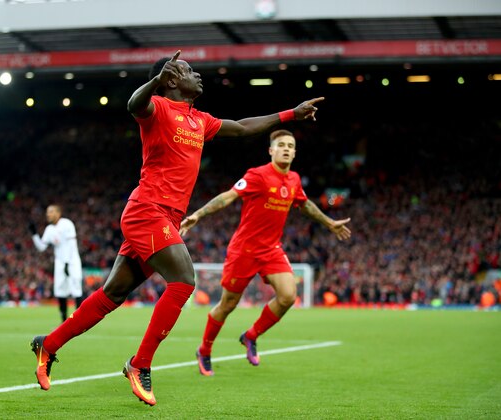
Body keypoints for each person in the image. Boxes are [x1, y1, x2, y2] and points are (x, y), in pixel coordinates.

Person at [29, 50, 324, 406]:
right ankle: (139, 365)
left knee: (113, 294)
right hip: (147, 210)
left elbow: (244, 126)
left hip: (165, 217)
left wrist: (293, 112)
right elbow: (133, 104)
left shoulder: (200, 120)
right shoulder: (156, 109)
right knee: (184, 280)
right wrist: (155, 82)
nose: (197, 75)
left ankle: (49, 344)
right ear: (171, 80)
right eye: (188, 71)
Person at [179, 129, 352, 376]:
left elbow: (304, 204)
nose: (286, 149)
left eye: (290, 146)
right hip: (244, 250)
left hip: (271, 249)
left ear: (294, 152)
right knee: (228, 304)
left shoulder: (293, 179)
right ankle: (204, 350)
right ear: (271, 150)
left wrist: (328, 222)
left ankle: (250, 336)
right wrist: (198, 214)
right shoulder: (257, 175)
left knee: (288, 296)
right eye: (281, 145)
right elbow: (228, 197)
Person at [30, 204, 84, 323]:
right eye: (47, 212)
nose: (48, 214)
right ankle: (64, 321)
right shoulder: (49, 229)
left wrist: (67, 263)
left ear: (58, 213)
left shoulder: (67, 224)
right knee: (60, 291)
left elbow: (71, 245)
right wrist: (34, 234)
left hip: (72, 262)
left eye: (51, 212)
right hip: (59, 263)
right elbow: (41, 247)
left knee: (76, 290)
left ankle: (79, 321)